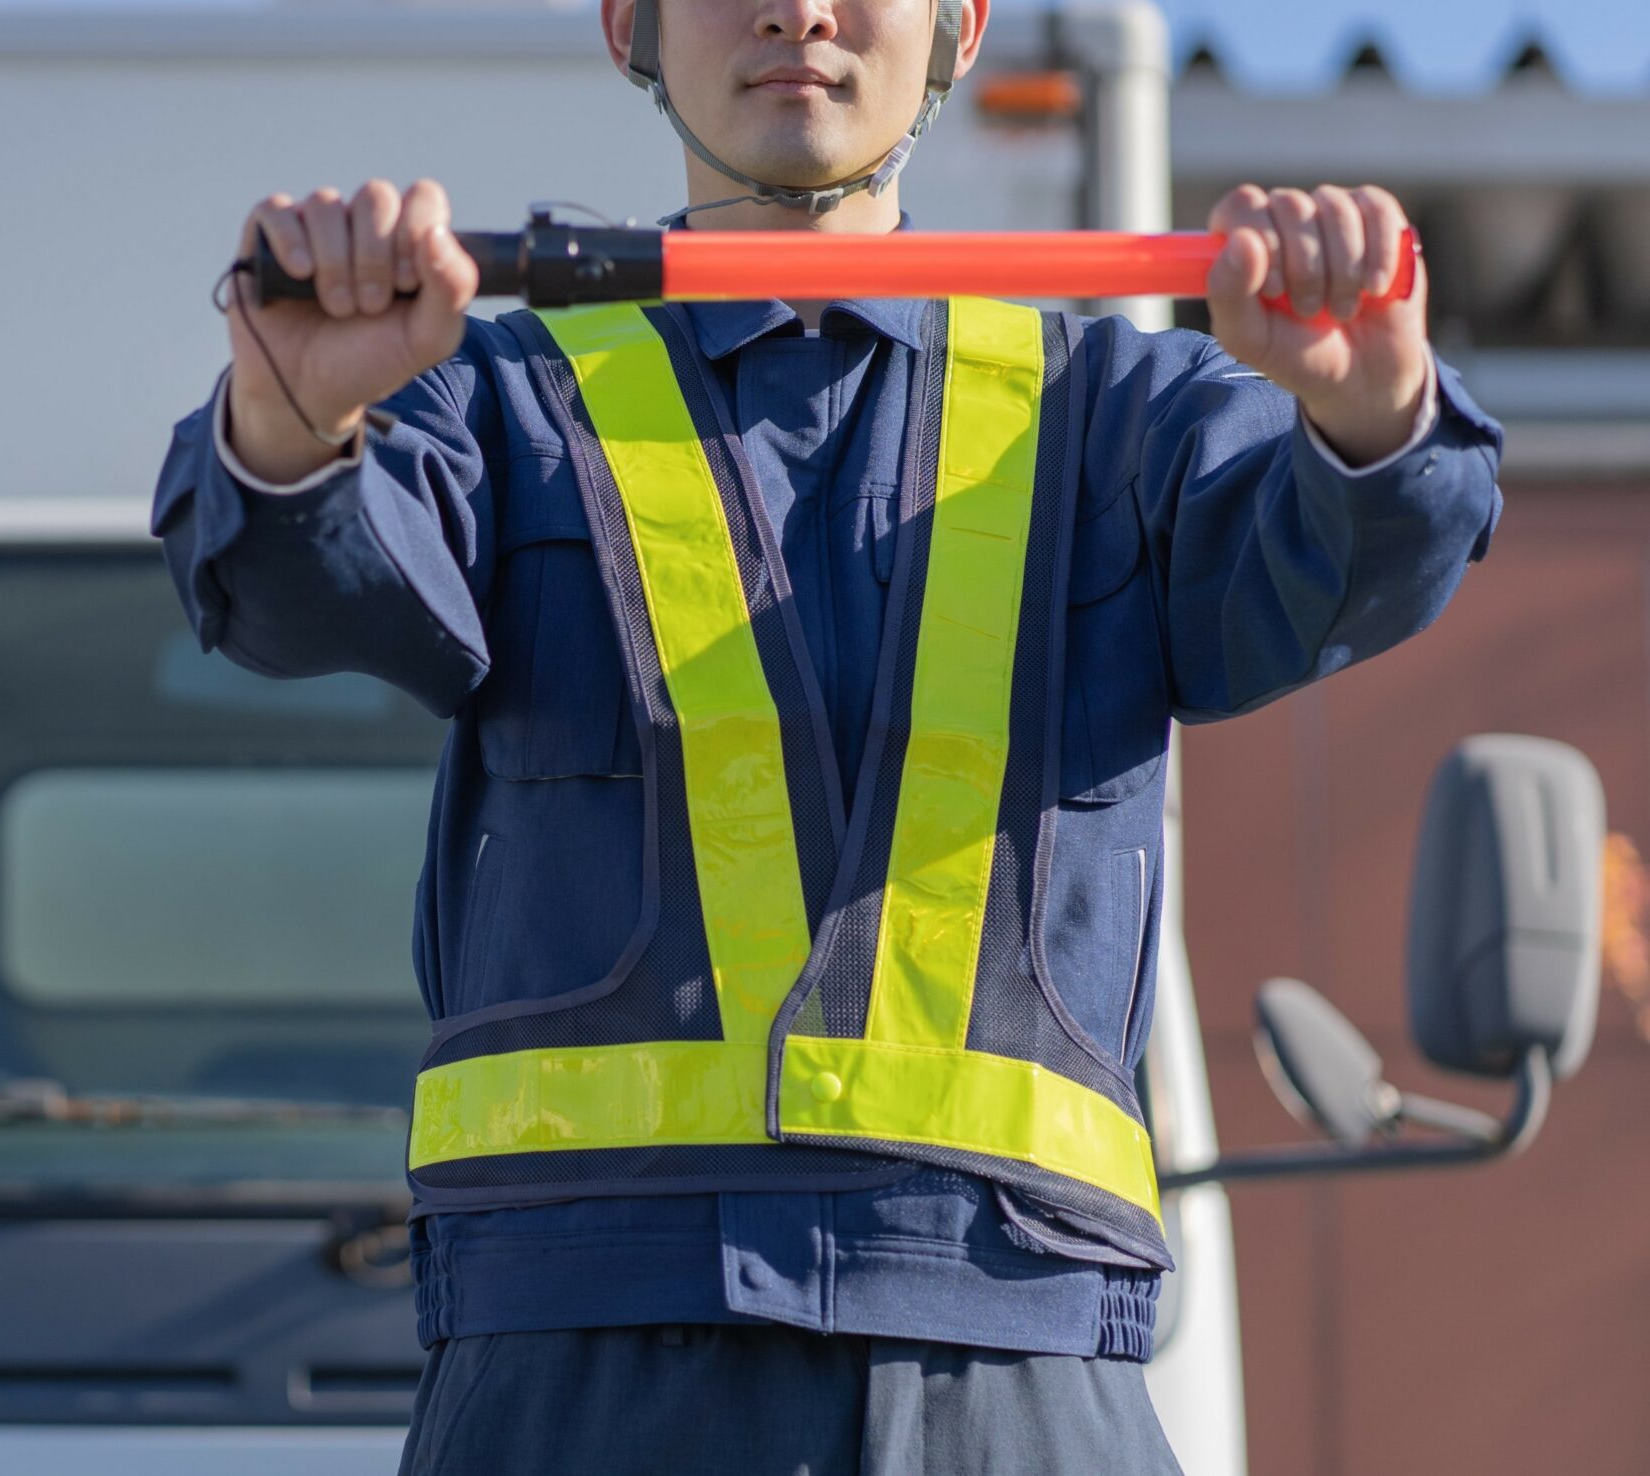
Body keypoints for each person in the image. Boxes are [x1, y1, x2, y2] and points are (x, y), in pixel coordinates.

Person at [148, 0, 1504, 1468]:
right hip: (581, 1366)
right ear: (632, 25)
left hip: (1011, 1358)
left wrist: (1375, 419)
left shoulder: (1121, 419)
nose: (800, 9)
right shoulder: (493, 406)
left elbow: (1362, 553)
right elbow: (281, 587)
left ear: (963, 26)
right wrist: (287, 427)